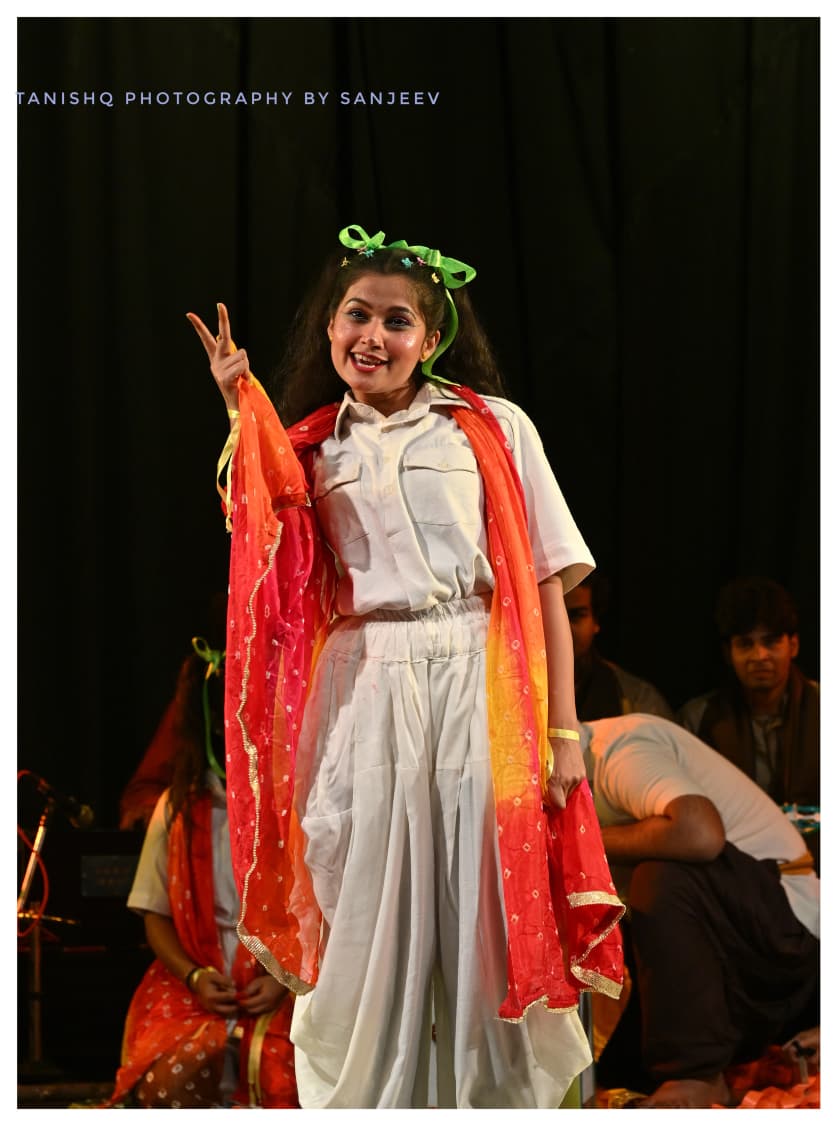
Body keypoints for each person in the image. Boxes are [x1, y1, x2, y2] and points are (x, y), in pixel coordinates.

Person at [186, 224, 624, 1109]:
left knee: (485, 913)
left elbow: (545, 581)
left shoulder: (491, 430)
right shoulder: (310, 447)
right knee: (365, 917)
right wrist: (242, 410)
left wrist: (563, 731)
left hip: (477, 675)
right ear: (330, 327)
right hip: (363, 683)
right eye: (357, 315)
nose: (372, 336)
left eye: (397, 321)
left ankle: (491, 1105)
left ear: (431, 339)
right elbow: (265, 557)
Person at [581, 712, 819, 1109]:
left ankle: (696, 1073)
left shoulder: (617, 751)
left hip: (786, 932)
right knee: (620, 1071)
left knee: (663, 871)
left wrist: (580, 841)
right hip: (728, 947)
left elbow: (700, 833)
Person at [106, 638, 298, 1109]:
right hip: (195, 990)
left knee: (285, 1078)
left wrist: (283, 979)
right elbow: (154, 914)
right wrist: (194, 977)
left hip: (282, 988)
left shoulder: (291, 805)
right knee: (172, 1081)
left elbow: (322, 912)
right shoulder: (176, 809)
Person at [678, 576, 819, 808]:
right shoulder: (698, 719)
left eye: (771, 642)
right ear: (728, 653)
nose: (759, 656)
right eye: (745, 644)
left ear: (793, 645)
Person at [564, 572, 674, 721]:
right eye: (550, 614)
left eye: (575, 615)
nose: (562, 628)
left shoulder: (638, 700)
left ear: (596, 621)